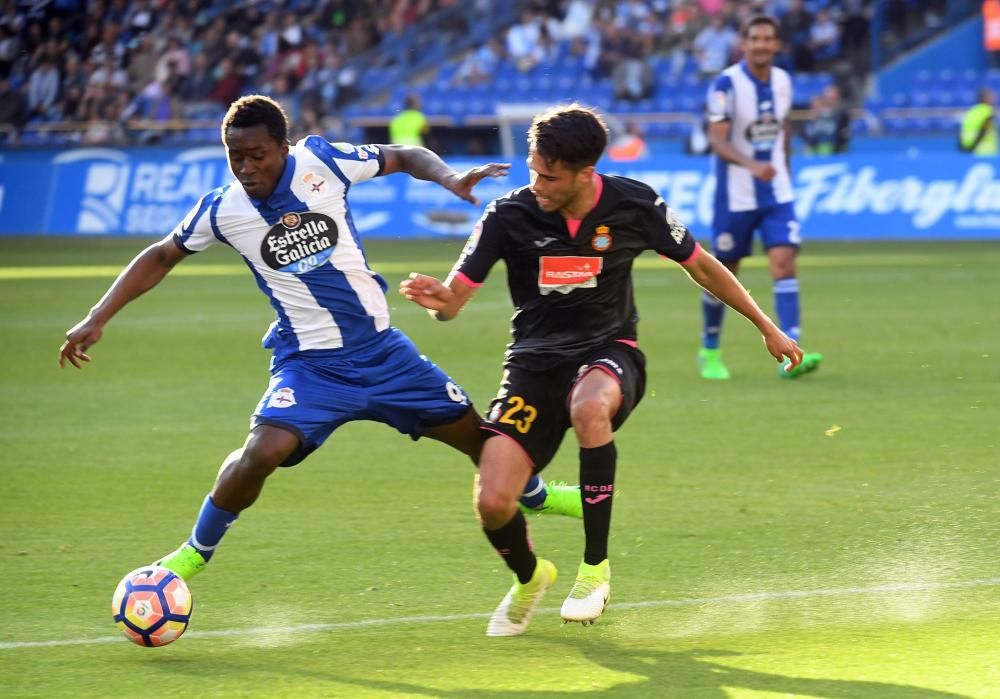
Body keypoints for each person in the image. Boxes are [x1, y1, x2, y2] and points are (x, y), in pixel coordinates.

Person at [59, 94, 581, 584]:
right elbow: (161, 254)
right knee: (262, 452)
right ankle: (195, 552)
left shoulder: (323, 161)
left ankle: (532, 494)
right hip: (311, 366)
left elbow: (403, 154)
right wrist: (98, 316)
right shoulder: (222, 209)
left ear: (283, 148)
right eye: (234, 157)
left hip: (384, 354)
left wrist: (448, 178)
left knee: (479, 438)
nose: (246, 168)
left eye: (257, 155)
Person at [400, 104, 803, 636]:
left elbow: (702, 264)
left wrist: (765, 326)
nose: (536, 183)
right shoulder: (507, 215)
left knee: (589, 407)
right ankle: (529, 577)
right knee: (494, 502)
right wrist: (436, 299)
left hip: (610, 351)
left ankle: (595, 569)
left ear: (585, 173)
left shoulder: (635, 204)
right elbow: (453, 302)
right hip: (533, 366)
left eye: (549, 176)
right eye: (532, 169)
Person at [698, 14, 823, 381]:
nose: (762, 44)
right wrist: (753, 165)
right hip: (736, 196)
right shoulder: (727, 85)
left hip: (776, 193)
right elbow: (717, 140)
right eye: (756, 38)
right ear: (745, 43)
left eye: (769, 38)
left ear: (777, 44)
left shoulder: (783, 81)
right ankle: (709, 350)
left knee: (784, 262)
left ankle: (793, 352)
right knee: (725, 272)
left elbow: (782, 127)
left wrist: (785, 168)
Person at [802, 84, 850, 155]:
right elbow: (809, 133)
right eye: (827, 96)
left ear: (837, 97)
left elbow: (841, 133)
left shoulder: (842, 113)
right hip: (817, 145)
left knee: (826, 147)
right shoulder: (816, 114)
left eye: (832, 96)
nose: (829, 98)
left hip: (835, 147)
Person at [959, 87, 997, 156]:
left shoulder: (971, 111)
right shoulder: (987, 112)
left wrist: (964, 149)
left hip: (968, 150)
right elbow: (984, 130)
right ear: (985, 98)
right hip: (985, 152)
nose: (994, 98)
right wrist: (973, 147)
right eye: (991, 96)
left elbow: (962, 131)